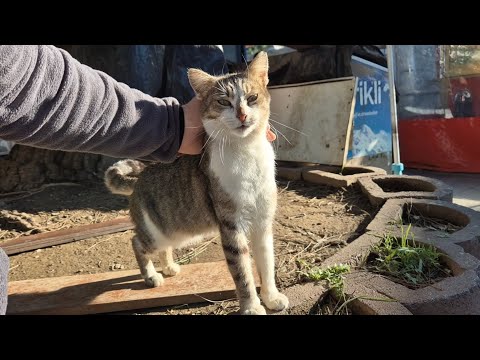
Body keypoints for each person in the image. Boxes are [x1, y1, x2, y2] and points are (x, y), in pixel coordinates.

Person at [0, 45, 275, 314]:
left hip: (169, 179)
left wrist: (171, 126)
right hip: (158, 204)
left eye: (251, 100)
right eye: (225, 103)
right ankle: (148, 254)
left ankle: (260, 286)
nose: (241, 113)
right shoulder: (216, 158)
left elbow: (32, 82)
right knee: (156, 241)